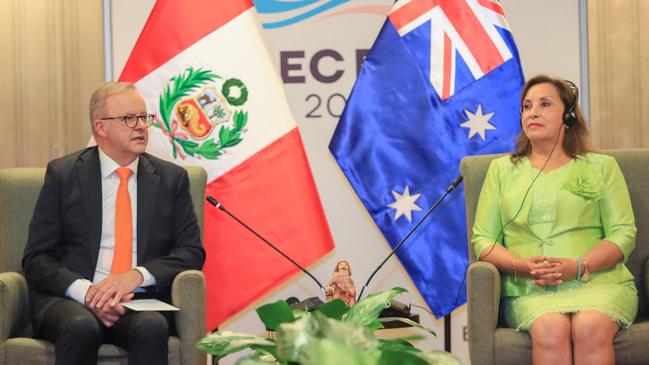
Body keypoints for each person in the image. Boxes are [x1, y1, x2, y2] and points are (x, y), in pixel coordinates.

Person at [22, 82, 206, 365]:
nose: (141, 126)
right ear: (101, 127)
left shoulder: (171, 179)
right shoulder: (64, 174)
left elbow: (191, 251)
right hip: (72, 299)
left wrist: (137, 275)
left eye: (144, 117)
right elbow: (37, 258)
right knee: (80, 326)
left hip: (139, 300)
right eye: (128, 119)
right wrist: (88, 293)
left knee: (152, 327)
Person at [471, 75, 638, 365]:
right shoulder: (501, 170)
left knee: (589, 326)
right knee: (550, 327)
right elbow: (482, 239)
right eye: (527, 106)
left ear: (568, 116)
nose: (532, 112)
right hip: (530, 290)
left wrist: (579, 266)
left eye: (545, 104)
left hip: (599, 283)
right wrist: (519, 266)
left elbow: (623, 233)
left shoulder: (601, 166)